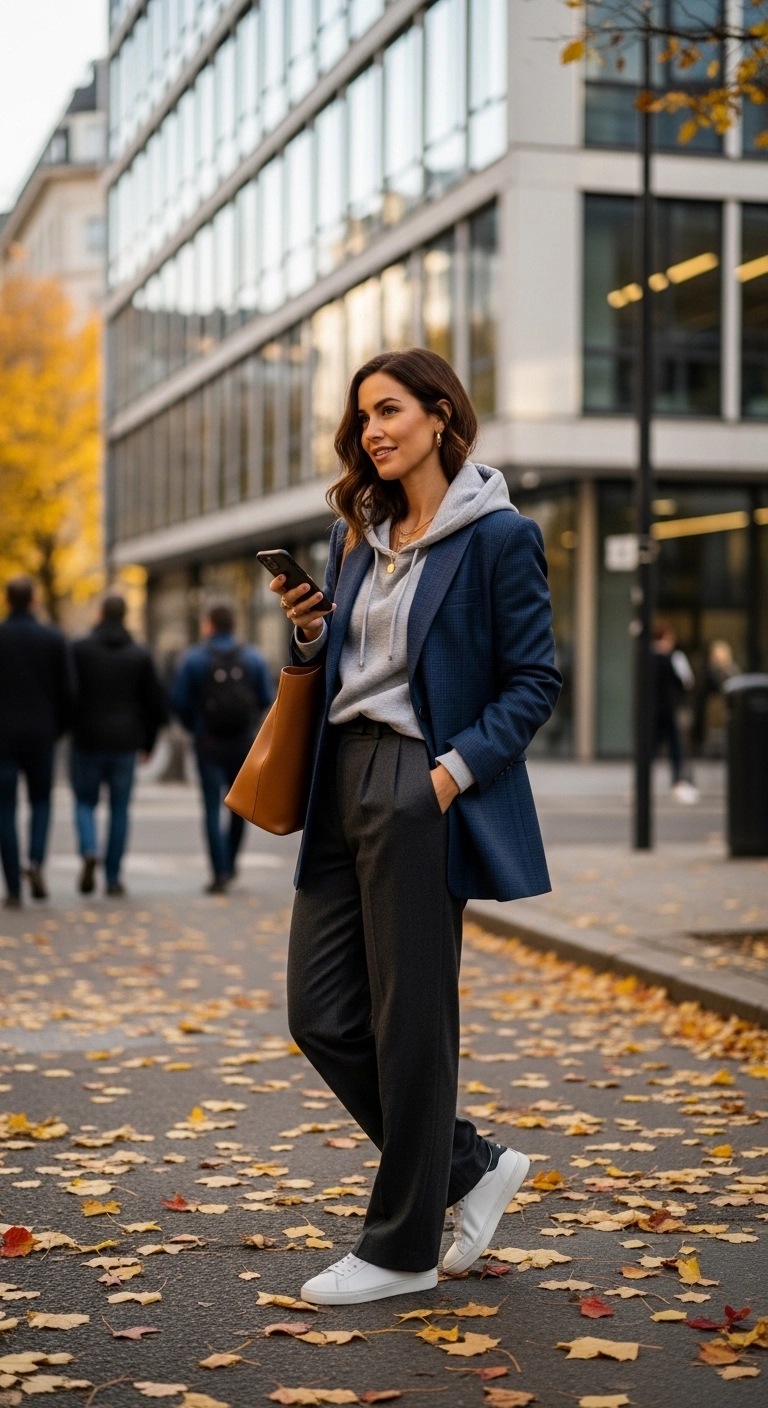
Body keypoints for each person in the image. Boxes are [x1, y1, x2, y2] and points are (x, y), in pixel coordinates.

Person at [272, 348, 561, 1306]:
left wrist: (446, 776)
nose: (373, 432)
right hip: (338, 776)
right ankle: (470, 1164)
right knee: (319, 1013)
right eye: (362, 419)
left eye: (389, 411)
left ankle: (399, 1251)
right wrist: (311, 631)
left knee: (411, 1028)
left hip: (418, 780)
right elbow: (347, 662)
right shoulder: (359, 532)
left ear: (442, 415)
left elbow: (534, 682)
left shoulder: (498, 537)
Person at [171, 604, 274, 893]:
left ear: (209, 625)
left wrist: (197, 727)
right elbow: (266, 696)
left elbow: (178, 700)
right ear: (233, 625)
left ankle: (218, 872)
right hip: (242, 743)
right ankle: (231, 863)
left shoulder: (194, 658)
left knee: (210, 808)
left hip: (209, 743)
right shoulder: (252, 657)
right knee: (239, 805)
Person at [70, 593, 168, 897]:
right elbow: (155, 704)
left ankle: (88, 848)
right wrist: (148, 743)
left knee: (85, 802)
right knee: (119, 809)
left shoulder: (80, 650)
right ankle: (112, 877)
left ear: (100, 614)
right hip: (126, 741)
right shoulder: (139, 654)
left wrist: (68, 728)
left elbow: (69, 693)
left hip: (87, 738)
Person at [0, 575, 75, 908]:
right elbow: (69, 691)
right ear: (33, 600)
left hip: (2, 737)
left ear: (7, 601)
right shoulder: (53, 638)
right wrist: (59, 728)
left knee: (5, 809)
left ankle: (13, 884)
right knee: (41, 802)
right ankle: (35, 862)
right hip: (42, 733)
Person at [652, 621, 699, 803]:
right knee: (673, 746)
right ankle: (678, 782)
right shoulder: (673, 658)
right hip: (666, 709)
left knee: (664, 747)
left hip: (658, 710)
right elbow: (686, 682)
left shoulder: (652, 658)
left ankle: (677, 782)